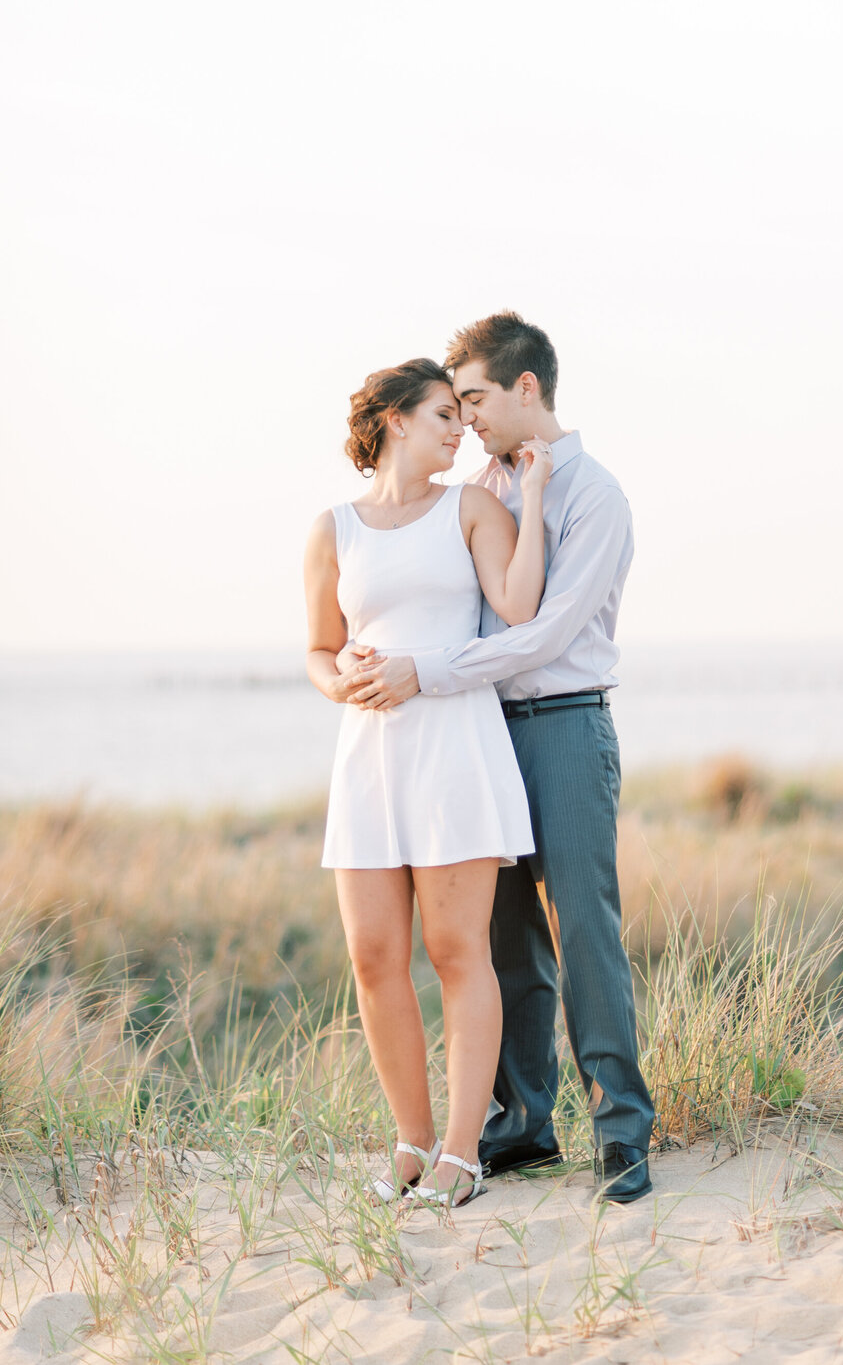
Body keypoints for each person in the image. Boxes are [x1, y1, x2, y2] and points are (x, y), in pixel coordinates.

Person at [338, 314, 655, 1204]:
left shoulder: (595, 495)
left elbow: (542, 631)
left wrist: (421, 673)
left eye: (473, 396)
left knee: (581, 931)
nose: (465, 416)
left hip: (559, 723)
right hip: (475, 735)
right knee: (503, 940)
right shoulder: (477, 488)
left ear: (526, 388)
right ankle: (523, 1127)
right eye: (453, 403)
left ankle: (623, 1135)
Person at [304, 357, 553, 1208]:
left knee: (456, 952)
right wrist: (339, 681)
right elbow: (318, 647)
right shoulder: (334, 527)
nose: (461, 429)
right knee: (373, 956)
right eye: (444, 413)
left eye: (463, 412)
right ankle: (409, 1142)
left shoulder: (472, 505)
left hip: (455, 746)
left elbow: (519, 608)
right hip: (368, 753)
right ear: (395, 420)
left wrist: (541, 494)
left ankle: (460, 1150)